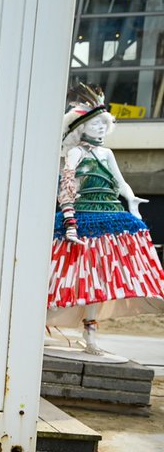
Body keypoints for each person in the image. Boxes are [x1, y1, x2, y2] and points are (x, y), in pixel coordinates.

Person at [49, 84, 164, 352]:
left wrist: (131, 200)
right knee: (67, 274)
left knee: (99, 278)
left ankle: (90, 335)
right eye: (95, 123)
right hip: (82, 218)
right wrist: (69, 220)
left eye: (104, 123)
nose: (101, 128)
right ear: (80, 128)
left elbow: (121, 182)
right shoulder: (76, 152)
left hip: (109, 214)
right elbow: (67, 184)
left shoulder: (107, 153)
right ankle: (41, 318)